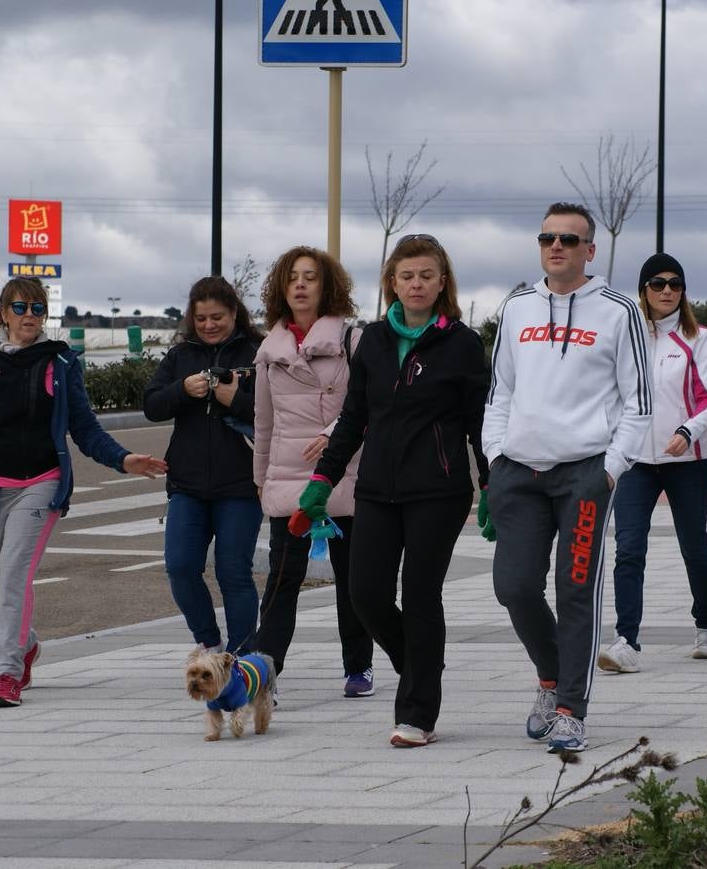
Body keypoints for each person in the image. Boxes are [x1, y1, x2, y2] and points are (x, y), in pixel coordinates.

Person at [0, 278, 166, 708]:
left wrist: (123, 459)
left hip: (39, 486)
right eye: (19, 307)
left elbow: (84, 427)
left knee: (14, 577)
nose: (28, 316)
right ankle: (26, 644)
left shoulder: (59, 362)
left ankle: (5, 674)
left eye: (37, 309)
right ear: (3, 312)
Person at [298, 233, 489, 748]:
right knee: (365, 594)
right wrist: (324, 479)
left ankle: (417, 713)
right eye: (406, 276)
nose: (416, 284)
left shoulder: (464, 345)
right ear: (392, 283)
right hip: (377, 487)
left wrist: (490, 484)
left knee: (422, 596)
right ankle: (422, 666)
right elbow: (354, 416)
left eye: (426, 275)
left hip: (439, 490)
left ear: (442, 281)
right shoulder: (373, 341)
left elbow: (481, 423)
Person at [484, 202, 651, 754]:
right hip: (519, 473)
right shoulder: (516, 307)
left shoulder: (619, 310)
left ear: (590, 250)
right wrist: (493, 457)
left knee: (576, 590)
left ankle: (570, 709)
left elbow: (638, 403)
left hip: (583, 474)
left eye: (569, 239)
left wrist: (610, 468)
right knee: (513, 587)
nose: (557, 246)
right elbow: (500, 390)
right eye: (548, 237)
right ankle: (551, 674)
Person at [251, 246, 374, 698]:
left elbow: (368, 406)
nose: (301, 285)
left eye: (311, 277)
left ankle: (359, 667)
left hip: (346, 474)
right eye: (292, 278)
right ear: (281, 289)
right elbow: (264, 422)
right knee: (282, 580)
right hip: (287, 479)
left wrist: (333, 434)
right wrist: (260, 477)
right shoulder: (269, 351)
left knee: (352, 582)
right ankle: (265, 670)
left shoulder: (352, 341)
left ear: (328, 287)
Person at [598, 252, 707, 673]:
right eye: (657, 283)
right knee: (628, 550)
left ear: (683, 291)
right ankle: (626, 641)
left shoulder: (698, 337)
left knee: (694, 546)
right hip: (635, 463)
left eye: (675, 283)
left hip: (688, 462)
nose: (666, 290)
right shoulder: (626, 336)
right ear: (643, 290)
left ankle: (706, 624)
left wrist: (686, 432)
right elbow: (611, 395)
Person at [143, 277, 264, 656]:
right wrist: (182, 390)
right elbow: (151, 406)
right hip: (187, 484)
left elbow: (276, 414)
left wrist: (234, 398)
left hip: (242, 485)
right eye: (201, 319)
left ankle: (243, 659)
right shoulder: (181, 356)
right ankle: (210, 644)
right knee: (180, 567)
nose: (209, 325)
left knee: (233, 573)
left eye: (218, 317)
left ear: (235, 314)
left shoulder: (258, 352)